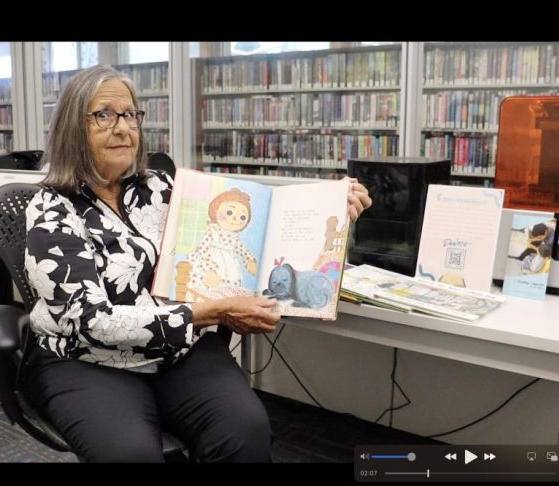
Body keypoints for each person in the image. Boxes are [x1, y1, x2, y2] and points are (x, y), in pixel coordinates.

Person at [21, 65, 373, 463]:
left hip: (177, 351)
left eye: (130, 114)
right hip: (88, 359)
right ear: (72, 127)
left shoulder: (161, 187)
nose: (122, 128)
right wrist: (209, 313)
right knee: (130, 454)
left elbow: (250, 234)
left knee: (245, 431)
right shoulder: (51, 210)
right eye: (104, 115)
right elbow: (90, 321)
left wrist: (330, 210)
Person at [187, 188, 258, 294]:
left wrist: (249, 260)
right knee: (209, 285)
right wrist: (208, 269)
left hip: (229, 264)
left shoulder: (235, 238)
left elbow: (242, 250)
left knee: (228, 287)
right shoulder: (213, 232)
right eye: (229, 212)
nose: (235, 218)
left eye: (242, 217)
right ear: (215, 210)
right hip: (212, 262)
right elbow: (202, 250)